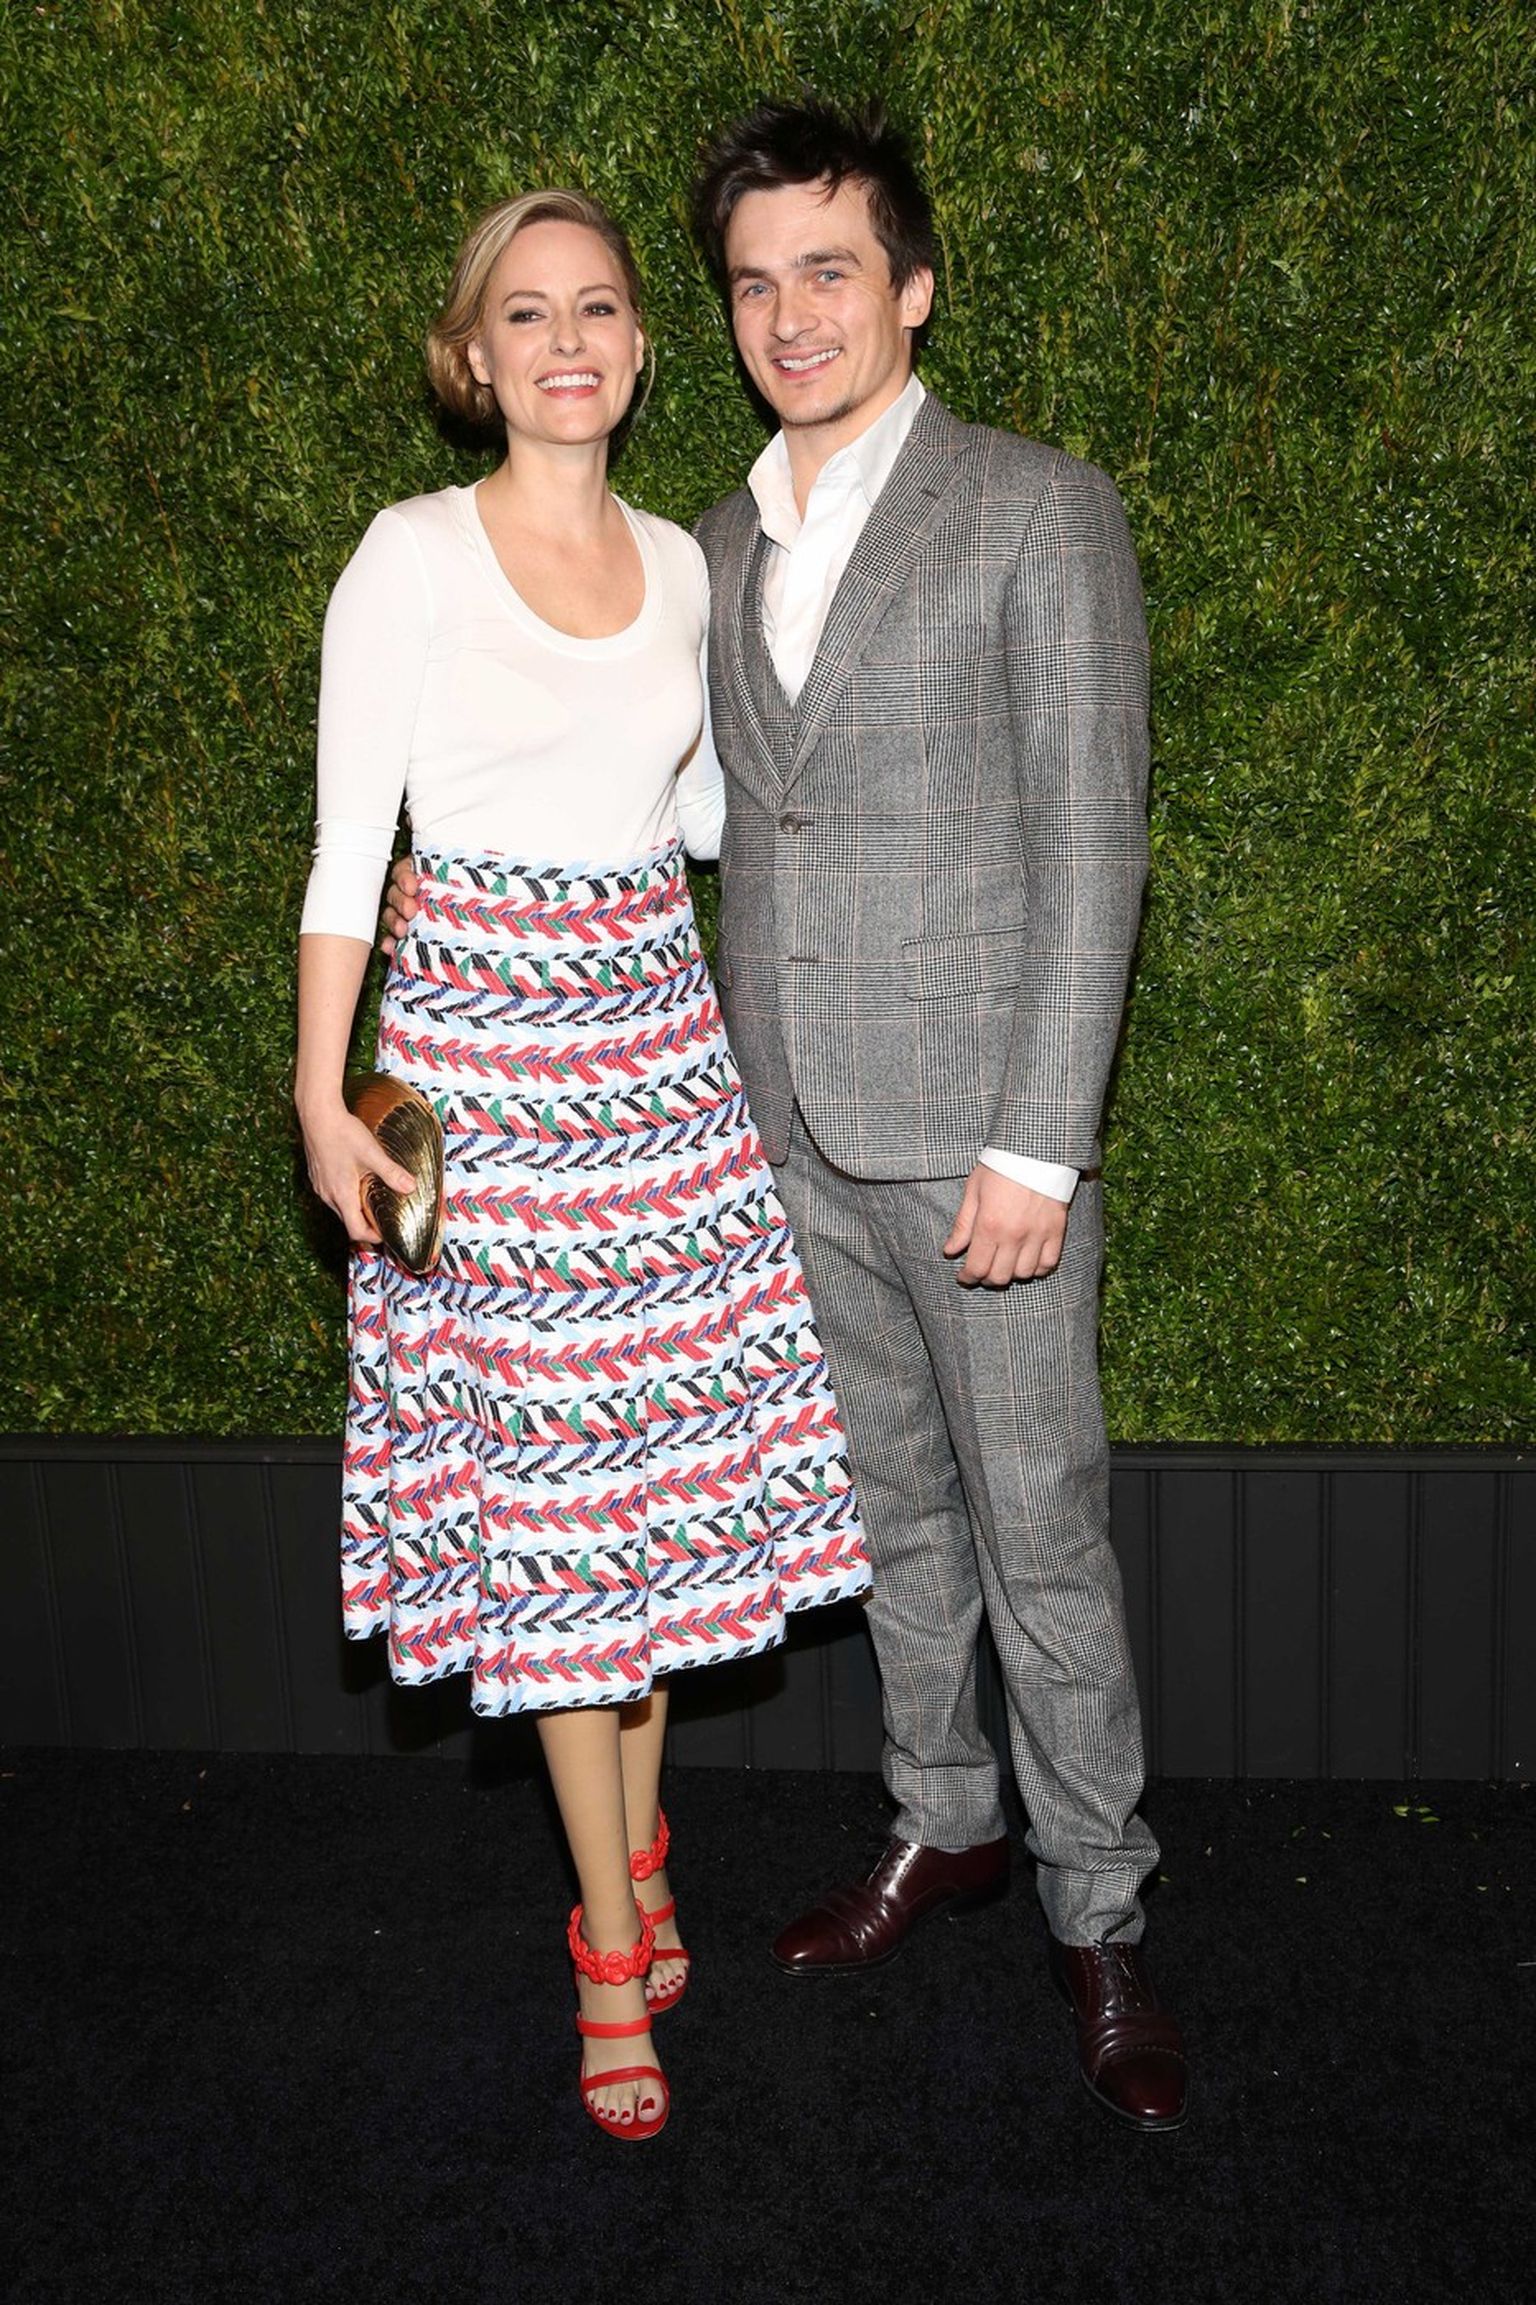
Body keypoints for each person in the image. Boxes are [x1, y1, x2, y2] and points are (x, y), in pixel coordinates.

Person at [386, 103, 1187, 2132]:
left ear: (911, 289)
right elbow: (679, 802)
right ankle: (946, 1819)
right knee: (889, 1518)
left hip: (985, 1142)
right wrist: (446, 876)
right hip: (767, 1136)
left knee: (1043, 1536)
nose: (791, 313)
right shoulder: (708, 550)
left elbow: (1095, 840)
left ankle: (1102, 1914)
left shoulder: (1037, 509)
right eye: (754, 282)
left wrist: (1042, 1139)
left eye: (830, 269)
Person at [295, 188, 868, 2145]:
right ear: (476, 356)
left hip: (662, 1077)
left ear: (637, 345)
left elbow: (702, 809)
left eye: (598, 306)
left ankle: (633, 1853)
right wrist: (322, 1095)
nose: (565, 341)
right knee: (556, 1520)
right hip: (486, 1083)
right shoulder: (408, 558)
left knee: (643, 1510)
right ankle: (609, 1948)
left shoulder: (685, 565)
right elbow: (346, 855)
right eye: (525, 313)